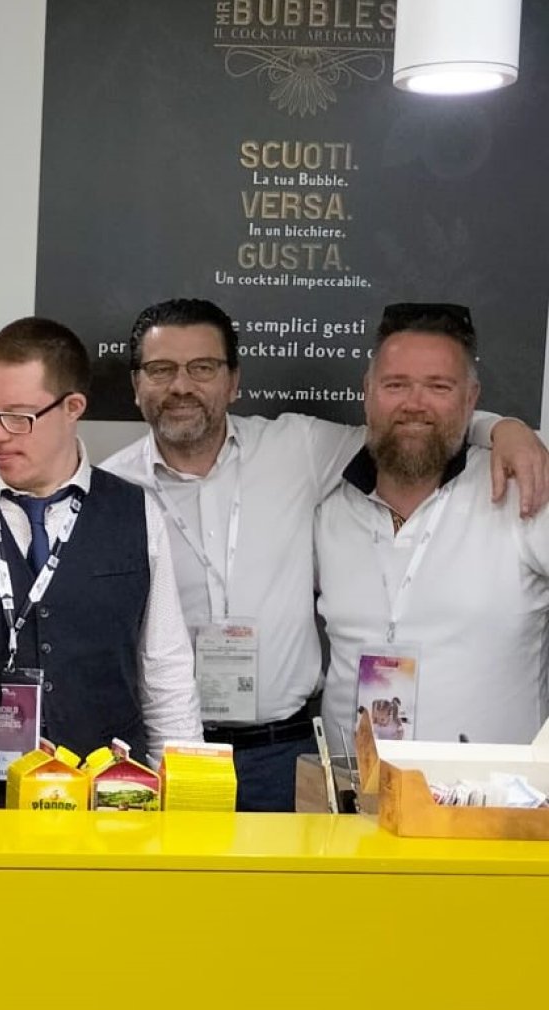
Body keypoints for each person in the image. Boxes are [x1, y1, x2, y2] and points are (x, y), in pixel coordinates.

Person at [101, 298, 549, 811]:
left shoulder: (298, 448)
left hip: (284, 753)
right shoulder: (110, 493)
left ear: (234, 380)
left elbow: (409, 428)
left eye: (203, 367)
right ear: (135, 384)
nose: (182, 385)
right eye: (161, 369)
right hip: (168, 751)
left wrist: (506, 429)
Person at [0, 316, 202, 806]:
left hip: (109, 806)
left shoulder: (136, 513)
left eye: (18, 417)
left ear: (72, 408)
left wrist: (184, 800)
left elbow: (164, 669)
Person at [317, 303, 549, 752]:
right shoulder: (328, 504)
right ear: (367, 392)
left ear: (471, 399)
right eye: (395, 385)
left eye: (439, 387)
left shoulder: (524, 491)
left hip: (487, 791)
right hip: (350, 786)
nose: (414, 404)